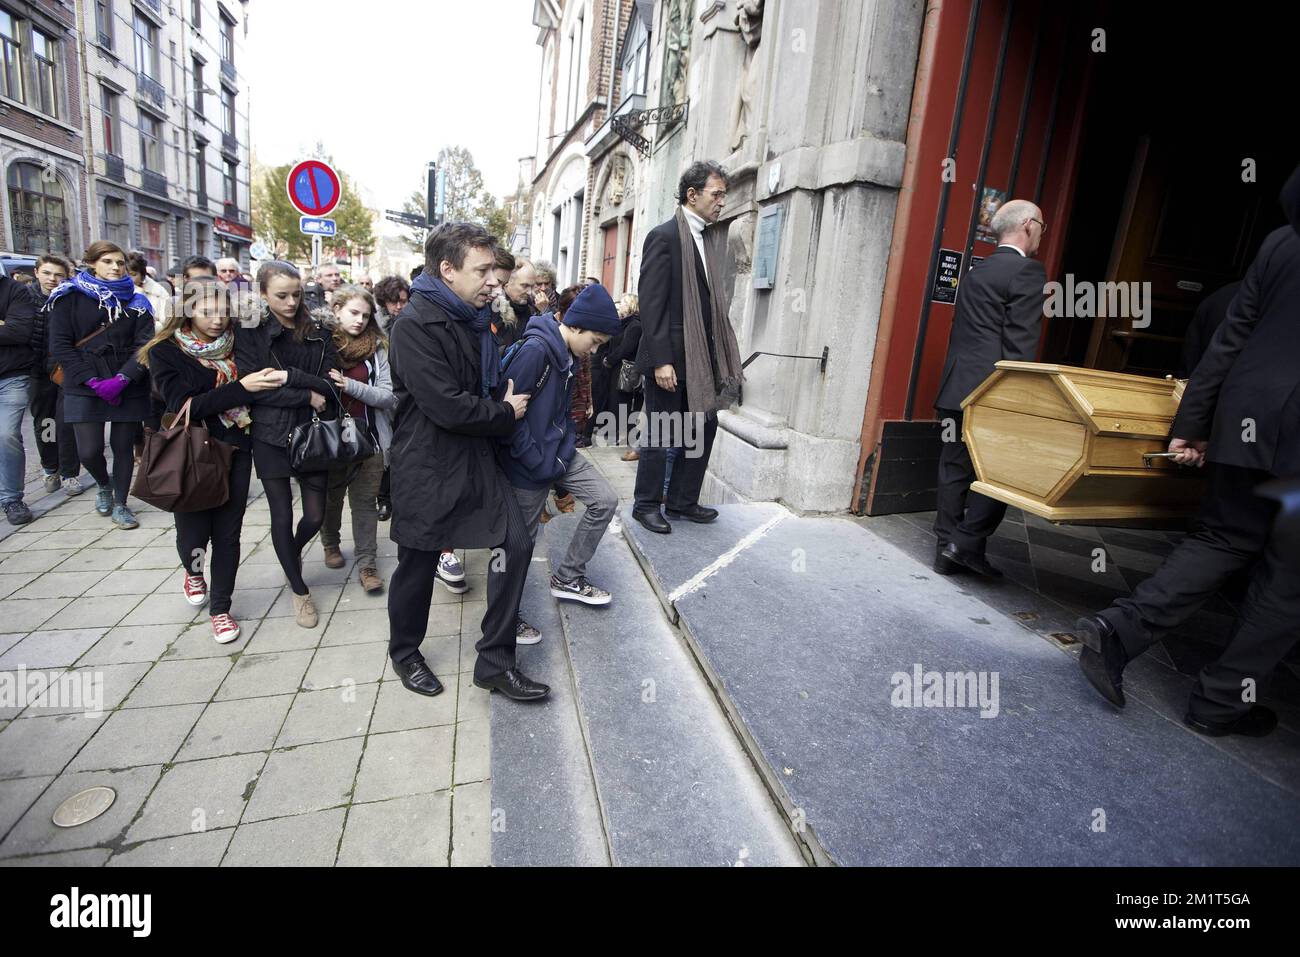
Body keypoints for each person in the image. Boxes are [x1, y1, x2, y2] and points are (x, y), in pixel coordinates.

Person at [1075, 166, 1300, 738]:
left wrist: (1193, 422)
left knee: (1223, 537)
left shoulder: (1280, 242)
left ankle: (1119, 631)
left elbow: (1231, 338)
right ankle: (1220, 702)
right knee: (1288, 579)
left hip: (1246, 415)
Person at [386, 222, 545, 701]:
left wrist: (500, 399)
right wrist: (504, 411)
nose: (493, 282)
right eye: (482, 272)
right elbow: (446, 405)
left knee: (515, 545)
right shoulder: (413, 324)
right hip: (428, 465)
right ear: (447, 269)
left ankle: (495, 662)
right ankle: (405, 653)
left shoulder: (476, 319)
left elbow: (476, 388)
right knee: (417, 564)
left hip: (476, 458)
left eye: (494, 272)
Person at [139, 277, 285, 643]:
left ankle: (221, 609)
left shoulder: (240, 344)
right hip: (191, 451)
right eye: (207, 312)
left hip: (236, 446)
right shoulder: (166, 351)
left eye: (223, 311)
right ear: (187, 312)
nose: (218, 319)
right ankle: (193, 571)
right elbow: (182, 404)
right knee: (192, 533)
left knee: (228, 533)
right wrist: (241, 388)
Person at [931, 198, 1048, 578]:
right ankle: (964, 545)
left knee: (954, 467)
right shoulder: (1027, 272)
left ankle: (945, 549)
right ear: (1029, 225)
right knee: (1001, 472)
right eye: (1042, 226)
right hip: (992, 392)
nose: (1041, 235)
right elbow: (1019, 348)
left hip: (955, 388)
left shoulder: (976, 272)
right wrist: (1022, 400)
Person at [632, 160, 745, 535]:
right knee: (663, 432)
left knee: (703, 428)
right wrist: (662, 360)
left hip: (703, 360)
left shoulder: (708, 238)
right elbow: (651, 305)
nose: (721, 202)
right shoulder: (664, 237)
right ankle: (646, 505)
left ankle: (682, 501)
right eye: (717, 194)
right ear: (692, 195)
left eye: (724, 195)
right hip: (671, 359)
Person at [498, 282, 621, 627]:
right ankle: (506, 618)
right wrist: (539, 462)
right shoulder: (536, 351)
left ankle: (567, 577)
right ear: (577, 325)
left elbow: (565, 413)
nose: (595, 352)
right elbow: (508, 418)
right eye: (594, 342)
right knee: (517, 546)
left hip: (558, 454)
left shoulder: (568, 354)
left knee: (604, 499)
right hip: (527, 464)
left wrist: (564, 450)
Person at [236, 261, 338, 628]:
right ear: (263, 294)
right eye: (281, 295)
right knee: (281, 514)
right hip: (270, 434)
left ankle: (289, 556)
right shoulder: (250, 331)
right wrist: (305, 395)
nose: (291, 302)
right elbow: (256, 389)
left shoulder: (319, 329)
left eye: (296, 293)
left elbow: (329, 384)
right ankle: (299, 590)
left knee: (314, 515)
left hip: (312, 434)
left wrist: (295, 381)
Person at [46, 241, 155, 529]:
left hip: (127, 381)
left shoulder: (138, 301)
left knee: (122, 447)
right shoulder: (67, 296)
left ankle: (121, 503)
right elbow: (60, 345)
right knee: (89, 451)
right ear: (92, 263)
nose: (116, 267)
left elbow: (146, 344)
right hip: (84, 381)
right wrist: (91, 379)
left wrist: (124, 377)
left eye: (120, 263)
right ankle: (103, 485)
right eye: (108, 261)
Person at [319, 285, 394, 595]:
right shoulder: (321, 344)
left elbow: (388, 397)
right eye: (353, 312)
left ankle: (367, 564)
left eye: (366, 315)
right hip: (331, 438)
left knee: (364, 503)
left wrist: (349, 385)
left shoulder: (377, 348)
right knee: (331, 498)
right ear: (336, 310)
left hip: (369, 438)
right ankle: (330, 543)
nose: (360, 320)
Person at [29, 254, 82, 495]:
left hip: (65, 371)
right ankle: (51, 467)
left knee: (66, 422)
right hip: (36, 373)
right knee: (45, 422)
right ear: (37, 272)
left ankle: (71, 472)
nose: (53, 279)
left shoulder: (70, 299)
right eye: (48, 273)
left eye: (59, 274)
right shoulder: (25, 298)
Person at [0, 270, 40, 524]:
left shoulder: (15, 290)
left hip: (11, 376)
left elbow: (18, 332)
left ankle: (11, 498)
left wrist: (8, 327)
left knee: (6, 434)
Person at [605, 292, 643, 459]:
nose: (620, 306)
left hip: (625, 371)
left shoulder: (634, 325)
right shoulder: (623, 323)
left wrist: (610, 359)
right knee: (617, 403)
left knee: (623, 404)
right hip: (617, 368)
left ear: (631, 305)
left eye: (624, 303)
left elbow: (626, 348)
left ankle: (624, 437)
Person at [128, 252, 170, 328]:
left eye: (133, 274)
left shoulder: (159, 292)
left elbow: (166, 322)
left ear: (142, 275)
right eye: (125, 275)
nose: (128, 279)